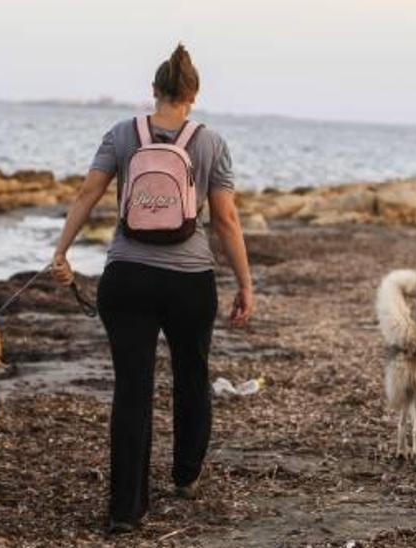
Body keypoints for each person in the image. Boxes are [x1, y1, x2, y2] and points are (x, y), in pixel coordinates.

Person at [50, 43, 255, 533]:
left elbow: (87, 193)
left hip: (128, 278)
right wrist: (245, 283)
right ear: (194, 93)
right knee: (191, 377)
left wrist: (61, 252)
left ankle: (125, 510)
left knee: (133, 389)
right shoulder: (210, 143)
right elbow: (225, 220)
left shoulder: (123, 134)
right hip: (190, 281)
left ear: (154, 91)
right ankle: (185, 476)